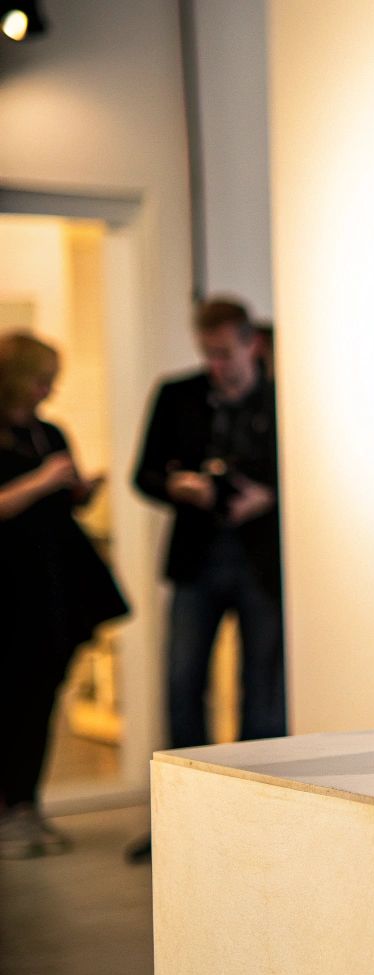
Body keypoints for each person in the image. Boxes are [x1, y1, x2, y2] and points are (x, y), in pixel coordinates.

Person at [134, 297, 285, 754]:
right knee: (183, 681)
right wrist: (179, 487)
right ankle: (185, 800)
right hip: (196, 557)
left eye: (225, 353)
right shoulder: (178, 395)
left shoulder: (282, 399)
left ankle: (255, 796)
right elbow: (145, 474)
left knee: (262, 687)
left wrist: (269, 498)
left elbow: (310, 475)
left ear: (251, 344)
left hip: (262, 560)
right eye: (208, 354)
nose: (216, 365)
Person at [0, 330, 129, 859]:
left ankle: (26, 805)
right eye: (40, 379)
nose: (47, 390)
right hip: (8, 588)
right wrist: (41, 481)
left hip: (51, 587)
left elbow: (63, 503)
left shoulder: (49, 431)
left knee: (41, 696)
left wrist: (77, 490)